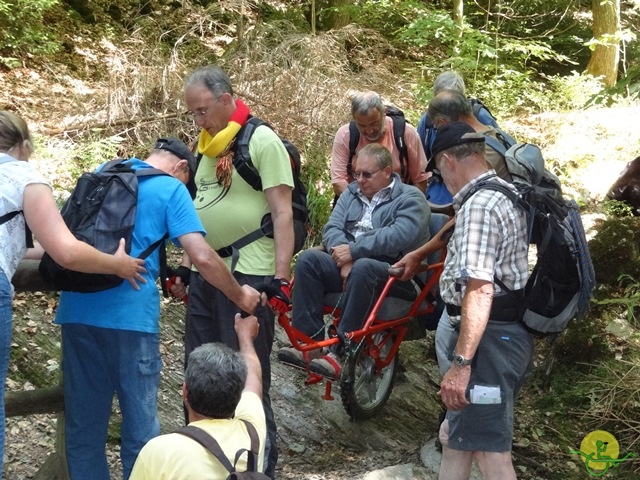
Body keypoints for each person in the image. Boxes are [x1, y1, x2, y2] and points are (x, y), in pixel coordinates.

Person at [54, 137, 262, 480]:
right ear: (182, 167)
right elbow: (202, 255)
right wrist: (241, 297)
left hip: (77, 311)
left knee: (84, 432)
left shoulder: (103, 173)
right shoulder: (170, 188)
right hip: (131, 319)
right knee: (140, 432)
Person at [0, 110, 146, 473]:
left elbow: (30, 246)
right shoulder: (23, 177)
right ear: (23, 145)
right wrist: (117, 265)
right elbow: (65, 250)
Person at [178, 65, 294, 479]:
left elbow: (282, 213)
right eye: (193, 113)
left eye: (203, 110)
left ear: (227, 99)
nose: (199, 120)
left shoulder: (262, 141)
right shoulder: (206, 148)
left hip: (250, 278)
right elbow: (196, 214)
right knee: (199, 374)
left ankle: (258, 468)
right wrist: (185, 266)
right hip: (208, 277)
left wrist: (281, 280)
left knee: (246, 383)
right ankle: (201, 465)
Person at [422, 122, 532, 479]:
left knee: (490, 451)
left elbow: (480, 288)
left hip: (489, 345)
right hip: (496, 338)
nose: (442, 179)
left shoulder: (481, 207)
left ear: (448, 161)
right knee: (455, 437)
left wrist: (461, 364)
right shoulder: (500, 191)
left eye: (439, 170)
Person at [278, 143, 430, 379]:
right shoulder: (351, 193)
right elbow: (332, 228)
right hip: (349, 265)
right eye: (356, 173)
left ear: (387, 172)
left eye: (367, 174)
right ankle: (308, 344)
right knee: (309, 259)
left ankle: (341, 352)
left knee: (364, 267)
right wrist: (345, 258)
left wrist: (354, 251)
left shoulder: (411, 198)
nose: (360, 180)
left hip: (397, 273)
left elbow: (399, 235)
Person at [129, 313, 266, 479]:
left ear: (185, 391)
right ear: (238, 397)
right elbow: (254, 382)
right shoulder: (252, 432)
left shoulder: (160, 451)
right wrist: (246, 337)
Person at [330, 91, 429, 198]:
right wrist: (362, 205)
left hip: (398, 203)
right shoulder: (346, 135)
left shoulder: (406, 133)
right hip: (356, 201)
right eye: (362, 125)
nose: (369, 131)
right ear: (354, 119)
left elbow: (420, 180)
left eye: (374, 123)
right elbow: (338, 182)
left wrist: (406, 206)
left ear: (384, 113)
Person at [416, 70, 500, 161]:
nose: (446, 107)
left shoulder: (480, 116)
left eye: (453, 99)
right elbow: (421, 159)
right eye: (442, 100)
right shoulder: (428, 120)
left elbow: (499, 148)